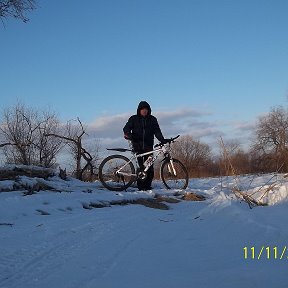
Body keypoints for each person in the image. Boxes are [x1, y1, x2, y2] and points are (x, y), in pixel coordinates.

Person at [123, 101, 166, 191]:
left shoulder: (153, 119)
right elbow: (126, 128)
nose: (144, 111)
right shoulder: (133, 118)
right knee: (141, 167)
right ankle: (140, 187)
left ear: (149, 110)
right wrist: (129, 135)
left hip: (148, 146)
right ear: (139, 110)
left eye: (146, 109)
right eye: (142, 109)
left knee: (149, 167)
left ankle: (147, 186)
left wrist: (162, 140)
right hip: (137, 145)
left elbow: (157, 131)